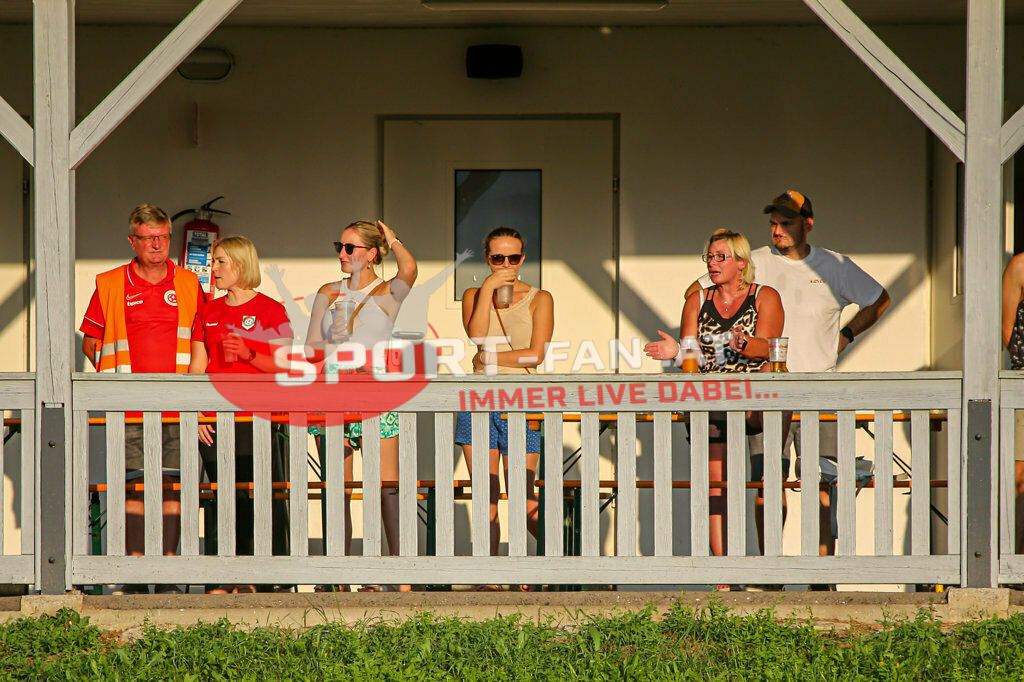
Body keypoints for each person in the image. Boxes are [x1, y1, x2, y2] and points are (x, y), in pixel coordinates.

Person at [686, 190, 890, 559]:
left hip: (819, 388)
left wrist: (846, 335)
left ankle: (822, 573)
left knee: (824, 482)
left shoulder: (834, 265)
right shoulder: (755, 261)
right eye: (773, 223)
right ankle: (772, 570)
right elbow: (697, 292)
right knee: (768, 480)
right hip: (767, 389)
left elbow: (879, 299)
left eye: (786, 222)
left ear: (807, 225)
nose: (777, 230)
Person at [80, 204, 205, 595]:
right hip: (128, 406)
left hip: (179, 405)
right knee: (132, 487)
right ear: (131, 241)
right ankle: (134, 572)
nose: (156, 244)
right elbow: (91, 341)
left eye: (163, 237)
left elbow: (202, 342)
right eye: (148, 238)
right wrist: (114, 382)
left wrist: (197, 399)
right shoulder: (110, 283)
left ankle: (166, 571)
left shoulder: (189, 283)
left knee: (172, 486)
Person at [647, 229, 783, 565]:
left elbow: (769, 347)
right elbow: (691, 356)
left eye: (721, 256)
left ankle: (771, 566)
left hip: (755, 398)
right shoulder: (698, 299)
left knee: (766, 481)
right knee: (715, 484)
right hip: (712, 398)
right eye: (709, 256)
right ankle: (723, 568)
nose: (712, 263)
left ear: (741, 262)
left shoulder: (764, 295)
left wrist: (744, 344)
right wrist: (675, 352)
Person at [305, 220, 417, 592]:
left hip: (376, 391)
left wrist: (392, 239)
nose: (342, 253)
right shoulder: (328, 291)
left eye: (350, 247)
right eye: (339, 246)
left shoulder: (386, 291)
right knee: (336, 486)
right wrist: (332, 342)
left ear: (371, 254)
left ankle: (397, 576)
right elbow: (310, 348)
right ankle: (337, 574)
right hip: (333, 391)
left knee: (385, 486)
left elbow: (409, 269)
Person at [188, 236, 294, 593]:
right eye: (213, 262)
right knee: (220, 495)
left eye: (221, 262)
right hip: (214, 418)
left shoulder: (271, 310)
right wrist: (197, 413)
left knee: (255, 493)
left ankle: (260, 576)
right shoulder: (207, 311)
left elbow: (285, 367)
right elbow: (197, 367)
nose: (213, 269)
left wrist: (249, 354)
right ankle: (222, 575)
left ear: (241, 265)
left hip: (256, 417)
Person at [455, 228, 554, 587]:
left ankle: (551, 563)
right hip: (479, 400)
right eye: (498, 258)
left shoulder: (540, 298)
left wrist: (489, 357)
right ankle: (490, 575)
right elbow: (477, 336)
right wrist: (488, 289)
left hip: (522, 401)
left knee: (523, 495)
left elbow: (535, 355)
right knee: (486, 493)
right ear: (488, 259)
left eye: (513, 258)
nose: (506, 264)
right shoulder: (474, 294)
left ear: (523, 259)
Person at [1001, 253, 1024, 552]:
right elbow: (1008, 329)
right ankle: (1017, 562)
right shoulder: (1019, 266)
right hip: (1022, 384)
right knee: (1020, 477)